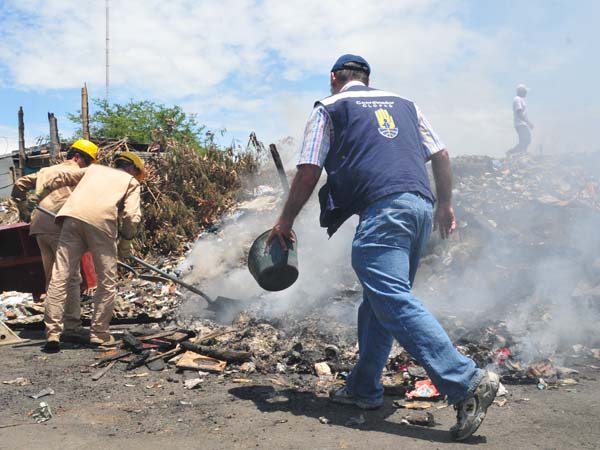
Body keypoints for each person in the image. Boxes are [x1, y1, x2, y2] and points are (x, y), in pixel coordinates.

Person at [267, 54, 499, 441]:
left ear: (334, 77)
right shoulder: (405, 104)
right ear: (368, 78)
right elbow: (441, 154)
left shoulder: (329, 107)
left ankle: (466, 381)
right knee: (379, 301)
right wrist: (445, 204)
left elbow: (309, 169)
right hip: (419, 208)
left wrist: (285, 221)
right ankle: (364, 388)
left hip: (385, 210)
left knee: (391, 297)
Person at [40, 151, 144, 352]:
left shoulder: (94, 170)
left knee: (60, 276)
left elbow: (62, 177)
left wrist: (37, 194)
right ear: (133, 168)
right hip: (101, 224)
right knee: (106, 281)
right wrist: (126, 240)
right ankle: (99, 333)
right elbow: (131, 216)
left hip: (71, 220)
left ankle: (53, 333)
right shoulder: (131, 182)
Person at [11, 140, 98, 342]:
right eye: (88, 161)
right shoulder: (81, 174)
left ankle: (53, 328)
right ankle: (71, 327)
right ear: (78, 157)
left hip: (40, 228)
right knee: (71, 278)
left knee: (54, 278)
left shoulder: (46, 171)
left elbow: (19, 184)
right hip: (61, 227)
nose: (88, 166)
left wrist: (23, 208)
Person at [508, 84, 534, 155]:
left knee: (526, 141)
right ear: (521, 91)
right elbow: (519, 112)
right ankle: (511, 152)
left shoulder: (520, 100)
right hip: (520, 124)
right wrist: (528, 122)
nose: (526, 93)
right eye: (525, 91)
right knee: (526, 140)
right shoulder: (517, 99)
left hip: (522, 123)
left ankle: (523, 154)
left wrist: (527, 122)